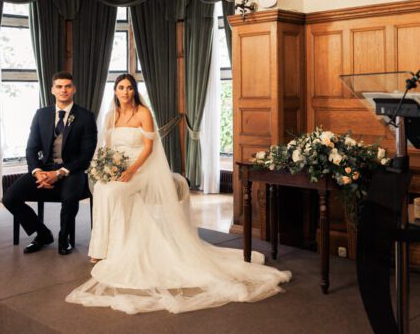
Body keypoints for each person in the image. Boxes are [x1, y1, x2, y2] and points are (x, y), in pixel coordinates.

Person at [66, 73, 291, 314]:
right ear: (115, 91)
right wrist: (108, 169)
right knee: (101, 188)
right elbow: (107, 148)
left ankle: (113, 248)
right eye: (121, 87)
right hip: (118, 168)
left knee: (113, 194)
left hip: (139, 170)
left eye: (129, 88)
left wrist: (131, 170)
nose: (125, 92)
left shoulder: (143, 113)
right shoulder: (111, 116)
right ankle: (102, 249)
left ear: (134, 90)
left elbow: (149, 148)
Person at [3, 71, 97, 255]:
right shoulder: (41, 115)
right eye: (59, 87)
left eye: (68, 86)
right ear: (52, 90)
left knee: (70, 198)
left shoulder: (86, 117)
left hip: (73, 171)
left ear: (73, 89)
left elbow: (86, 156)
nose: (64, 90)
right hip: (44, 169)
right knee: (10, 198)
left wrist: (60, 173)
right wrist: (37, 172)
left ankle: (64, 239)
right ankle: (43, 233)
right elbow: (31, 149)